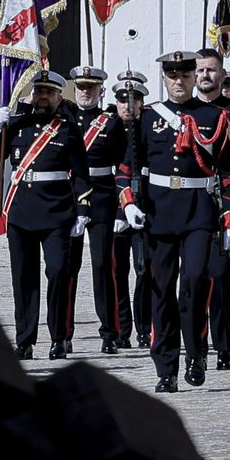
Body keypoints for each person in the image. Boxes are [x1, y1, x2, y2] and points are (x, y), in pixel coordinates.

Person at [118, 51, 230, 393]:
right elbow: (127, 169)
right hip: (158, 213)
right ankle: (166, 367)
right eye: (172, 75)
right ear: (164, 78)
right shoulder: (146, 119)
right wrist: (128, 205)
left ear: (192, 78)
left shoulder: (214, 116)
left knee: (194, 283)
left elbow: (229, 172)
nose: (178, 81)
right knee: (161, 292)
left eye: (184, 75)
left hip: (198, 211)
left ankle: (197, 354)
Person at [0, 70, 91, 359]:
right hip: (21, 212)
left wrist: (82, 210)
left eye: (48, 92)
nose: (42, 97)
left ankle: (59, 337)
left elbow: (81, 175)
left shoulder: (68, 129)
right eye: (38, 91)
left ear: (59, 96)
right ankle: (25, 340)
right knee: (23, 278)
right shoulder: (17, 124)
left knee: (58, 272)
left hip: (58, 213)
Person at [65, 65, 134, 354]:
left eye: (90, 87)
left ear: (99, 90)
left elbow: (123, 166)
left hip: (103, 195)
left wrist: (122, 208)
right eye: (81, 86)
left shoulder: (111, 123)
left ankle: (110, 331)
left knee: (103, 266)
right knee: (67, 267)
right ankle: (63, 332)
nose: (85, 92)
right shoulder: (64, 119)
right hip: (70, 197)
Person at [195, 49, 230, 370]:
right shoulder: (181, 113)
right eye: (200, 70)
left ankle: (223, 344)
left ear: (222, 74)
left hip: (228, 206)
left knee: (223, 278)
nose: (205, 75)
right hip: (189, 206)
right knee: (194, 279)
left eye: (211, 70)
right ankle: (197, 343)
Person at [110, 79, 150, 347]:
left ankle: (145, 328)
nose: (128, 105)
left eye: (134, 100)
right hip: (112, 210)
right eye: (123, 100)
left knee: (144, 270)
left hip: (144, 207)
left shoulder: (147, 128)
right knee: (117, 272)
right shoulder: (105, 127)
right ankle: (121, 329)